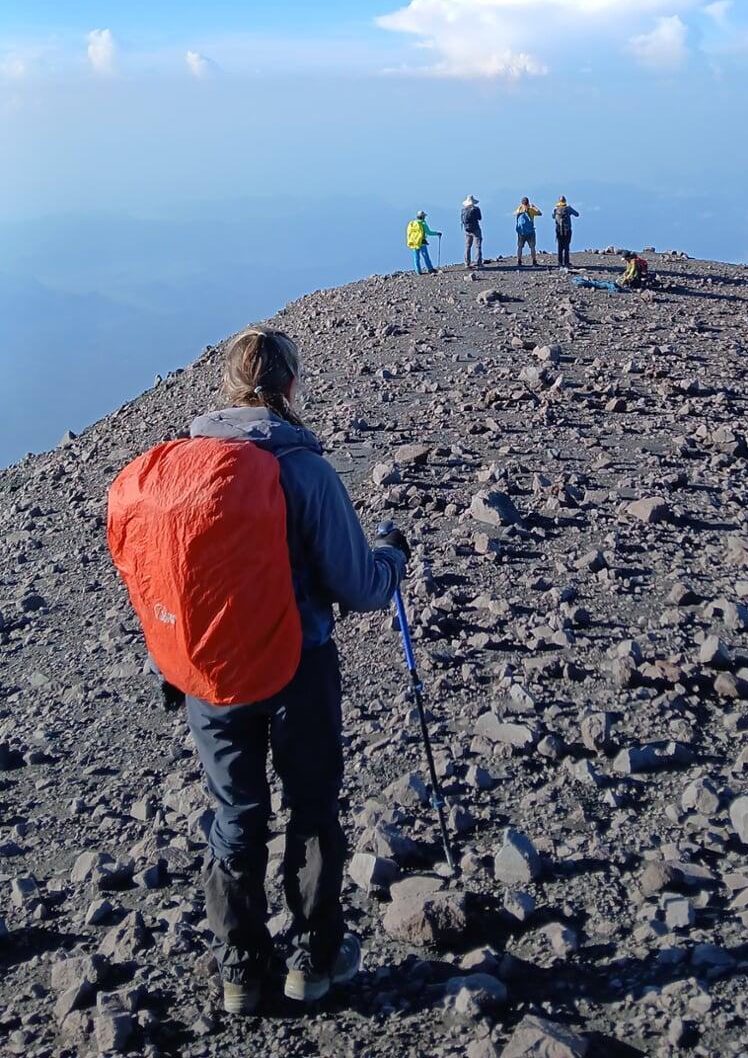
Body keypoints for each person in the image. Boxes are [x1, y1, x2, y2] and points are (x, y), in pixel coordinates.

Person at [118, 329, 410, 1015]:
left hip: (206, 676)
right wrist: (394, 558)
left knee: (237, 815)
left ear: (228, 386)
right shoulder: (302, 468)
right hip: (296, 668)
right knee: (311, 807)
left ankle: (242, 972)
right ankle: (313, 960)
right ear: (288, 386)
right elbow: (362, 585)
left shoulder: (184, 465)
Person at [514, 197, 542, 268]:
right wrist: (534, 207)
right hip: (530, 232)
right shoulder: (531, 210)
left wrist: (520, 207)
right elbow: (540, 213)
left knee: (520, 247)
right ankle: (534, 261)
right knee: (532, 247)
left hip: (521, 232)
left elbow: (514, 213)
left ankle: (519, 261)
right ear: (528, 202)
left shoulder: (519, 210)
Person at [553, 196, 579, 269]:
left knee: (560, 247)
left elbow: (553, 216)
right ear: (565, 201)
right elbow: (577, 214)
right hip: (567, 230)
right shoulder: (568, 208)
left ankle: (560, 262)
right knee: (566, 246)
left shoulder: (556, 209)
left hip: (558, 230)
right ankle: (566, 262)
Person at [461, 195, 483, 268]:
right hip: (476, 229)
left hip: (467, 230)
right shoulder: (476, 209)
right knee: (477, 246)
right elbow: (479, 218)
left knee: (467, 246)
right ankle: (478, 262)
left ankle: (467, 263)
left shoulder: (463, 210)